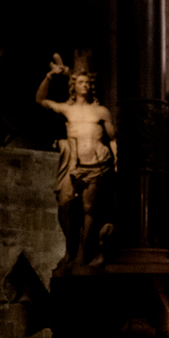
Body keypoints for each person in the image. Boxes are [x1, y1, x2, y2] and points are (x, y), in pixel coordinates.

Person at [36, 53, 117, 266]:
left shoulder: (101, 111)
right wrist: (50, 76)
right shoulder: (68, 109)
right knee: (64, 205)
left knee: (89, 209)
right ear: (73, 85)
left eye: (88, 82)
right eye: (81, 82)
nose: (85, 86)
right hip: (73, 165)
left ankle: (83, 253)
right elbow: (40, 100)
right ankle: (70, 248)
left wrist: (116, 161)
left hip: (96, 165)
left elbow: (113, 139)